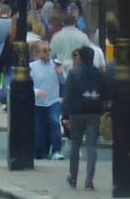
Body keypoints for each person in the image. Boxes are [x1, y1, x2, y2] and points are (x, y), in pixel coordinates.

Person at [63, 45, 108, 190]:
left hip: (77, 113)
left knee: (75, 145)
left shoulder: (73, 73)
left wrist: (65, 116)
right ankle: (89, 181)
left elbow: (67, 96)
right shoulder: (99, 74)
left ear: (80, 57)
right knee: (91, 147)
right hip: (94, 113)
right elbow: (105, 94)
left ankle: (73, 178)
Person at [28, 39, 62, 160]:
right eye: (45, 51)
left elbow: (64, 82)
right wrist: (37, 92)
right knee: (39, 127)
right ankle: (39, 152)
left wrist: (60, 73)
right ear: (37, 53)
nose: (48, 53)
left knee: (54, 122)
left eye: (49, 50)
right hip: (38, 102)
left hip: (53, 100)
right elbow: (27, 86)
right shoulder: (31, 67)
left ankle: (57, 150)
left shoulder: (56, 65)